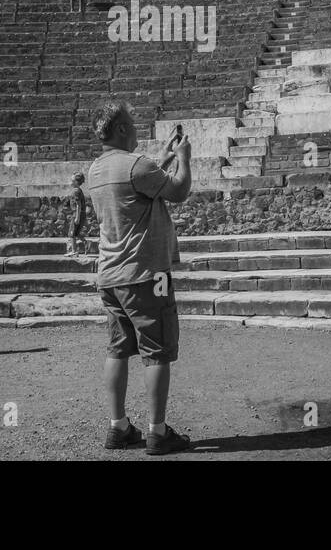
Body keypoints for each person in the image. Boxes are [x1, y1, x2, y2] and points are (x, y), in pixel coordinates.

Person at [85, 101, 192, 455]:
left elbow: (138, 185)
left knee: (118, 349)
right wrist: (184, 158)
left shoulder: (95, 170)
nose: (135, 129)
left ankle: (118, 428)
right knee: (157, 351)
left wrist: (162, 157)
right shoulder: (137, 166)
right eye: (131, 124)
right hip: (147, 274)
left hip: (111, 275)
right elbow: (177, 190)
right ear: (119, 130)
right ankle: (157, 432)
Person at [65, 172, 88, 256]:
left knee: (72, 233)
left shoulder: (76, 191)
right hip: (80, 214)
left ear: (76, 182)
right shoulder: (78, 190)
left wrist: (77, 217)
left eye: (72, 180)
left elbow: (79, 205)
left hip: (77, 214)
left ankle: (74, 251)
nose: (70, 182)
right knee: (76, 233)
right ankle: (85, 242)